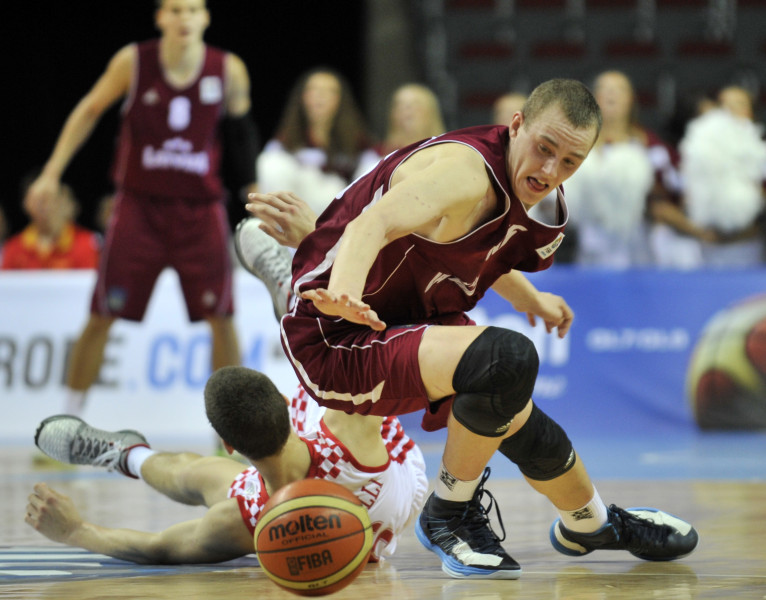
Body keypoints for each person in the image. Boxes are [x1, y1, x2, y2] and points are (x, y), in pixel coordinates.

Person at [240, 78, 699, 580]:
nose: (551, 171)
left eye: (570, 162)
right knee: (505, 360)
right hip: (337, 333)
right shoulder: (465, 173)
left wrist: (534, 299)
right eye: (544, 149)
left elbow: (480, 252)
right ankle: (448, 514)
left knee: (518, 416)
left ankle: (591, 524)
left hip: (403, 316)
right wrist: (346, 293)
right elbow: (368, 226)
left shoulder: (516, 185)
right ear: (516, 125)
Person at [23, 0, 259, 420]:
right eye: (174, 9)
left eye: (192, 10)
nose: (183, 18)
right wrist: (52, 171)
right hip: (139, 208)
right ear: (160, 17)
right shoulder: (133, 62)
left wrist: (254, 189)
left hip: (200, 210)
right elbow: (90, 109)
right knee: (101, 314)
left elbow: (241, 137)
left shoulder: (228, 69)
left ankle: (230, 434)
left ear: (205, 17)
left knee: (221, 316)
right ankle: (66, 420)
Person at [26, 365, 428, 565]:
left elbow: (157, 547)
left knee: (194, 474)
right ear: (290, 408)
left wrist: (77, 529)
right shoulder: (348, 422)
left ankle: (129, 455)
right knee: (322, 363)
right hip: (395, 471)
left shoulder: (244, 523)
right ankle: (125, 453)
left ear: (228, 444)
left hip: (298, 501)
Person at [651, 85, 766, 267]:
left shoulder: (761, 154)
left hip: (746, 249)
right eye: (723, 105)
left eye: (739, 104)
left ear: (752, 112)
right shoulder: (690, 151)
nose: (730, 111)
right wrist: (702, 234)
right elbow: (662, 205)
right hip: (698, 247)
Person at [255, 67, 377, 217]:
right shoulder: (284, 144)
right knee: (271, 163)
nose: (320, 96)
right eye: (313, 90)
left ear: (341, 99)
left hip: (343, 219)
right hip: (297, 214)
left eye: (329, 91)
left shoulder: (357, 144)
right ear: (302, 97)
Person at [1, 176, 99, 270]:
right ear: (26, 204)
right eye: (38, 200)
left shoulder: (87, 244)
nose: (43, 206)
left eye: (49, 199)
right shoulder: (14, 248)